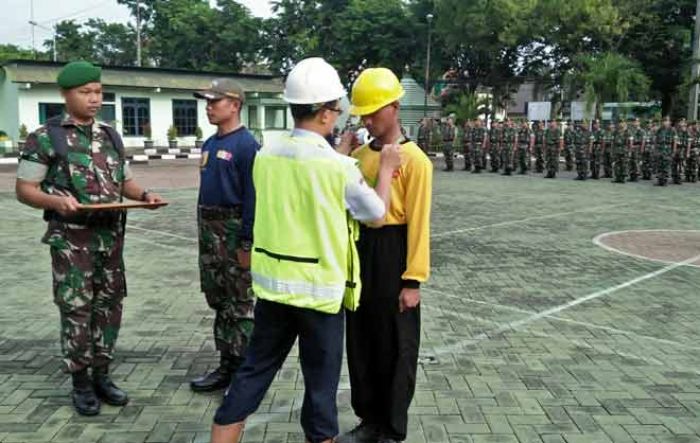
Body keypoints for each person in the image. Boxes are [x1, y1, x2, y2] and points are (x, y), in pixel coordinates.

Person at [209, 57, 401, 443]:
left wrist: (339, 153)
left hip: (273, 289)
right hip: (318, 296)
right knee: (320, 390)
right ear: (329, 113)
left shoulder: (266, 155)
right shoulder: (338, 168)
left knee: (250, 376)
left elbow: (300, 187)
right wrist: (384, 170)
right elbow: (376, 214)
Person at [15, 61, 163, 416]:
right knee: (77, 309)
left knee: (109, 308)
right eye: (86, 92)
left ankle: (102, 375)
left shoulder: (110, 135)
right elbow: (24, 189)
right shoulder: (46, 137)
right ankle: (80, 382)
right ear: (66, 95)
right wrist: (56, 202)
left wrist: (144, 196)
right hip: (72, 241)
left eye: (98, 92)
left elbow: (124, 181)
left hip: (111, 240)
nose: (94, 99)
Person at [339, 67, 433, 443]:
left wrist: (413, 280)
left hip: (396, 253)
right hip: (362, 252)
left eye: (374, 111)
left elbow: (419, 223)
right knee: (362, 340)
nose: (368, 119)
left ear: (395, 107)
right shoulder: (359, 156)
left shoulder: (415, 160)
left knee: (396, 345)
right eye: (363, 113)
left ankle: (391, 427)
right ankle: (368, 419)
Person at [189, 79, 259, 392]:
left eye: (215, 102)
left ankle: (243, 373)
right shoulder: (210, 144)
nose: (209, 107)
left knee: (241, 302)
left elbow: (254, 198)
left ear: (235, 105)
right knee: (219, 300)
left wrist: (246, 242)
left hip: (233, 231)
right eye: (207, 102)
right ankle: (226, 365)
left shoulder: (247, 146)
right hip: (209, 231)